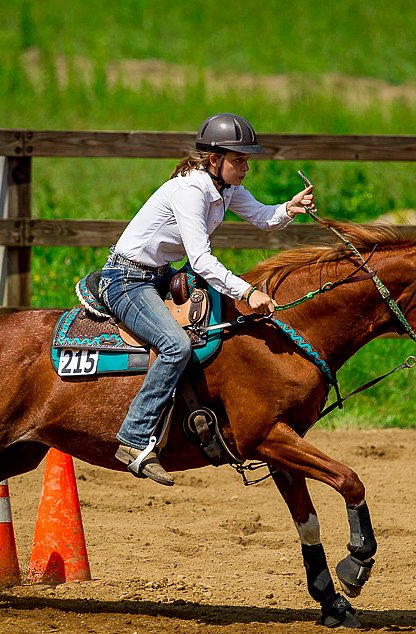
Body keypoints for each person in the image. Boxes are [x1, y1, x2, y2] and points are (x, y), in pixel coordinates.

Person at [99, 113, 315, 486]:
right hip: (126, 280)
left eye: (247, 159)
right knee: (175, 345)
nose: (246, 166)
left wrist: (288, 209)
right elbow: (200, 259)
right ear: (214, 160)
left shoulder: (225, 188)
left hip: (159, 275)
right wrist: (247, 291)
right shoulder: (192, 190)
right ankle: (134, 437)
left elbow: (262, 217)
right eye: (239, 159)